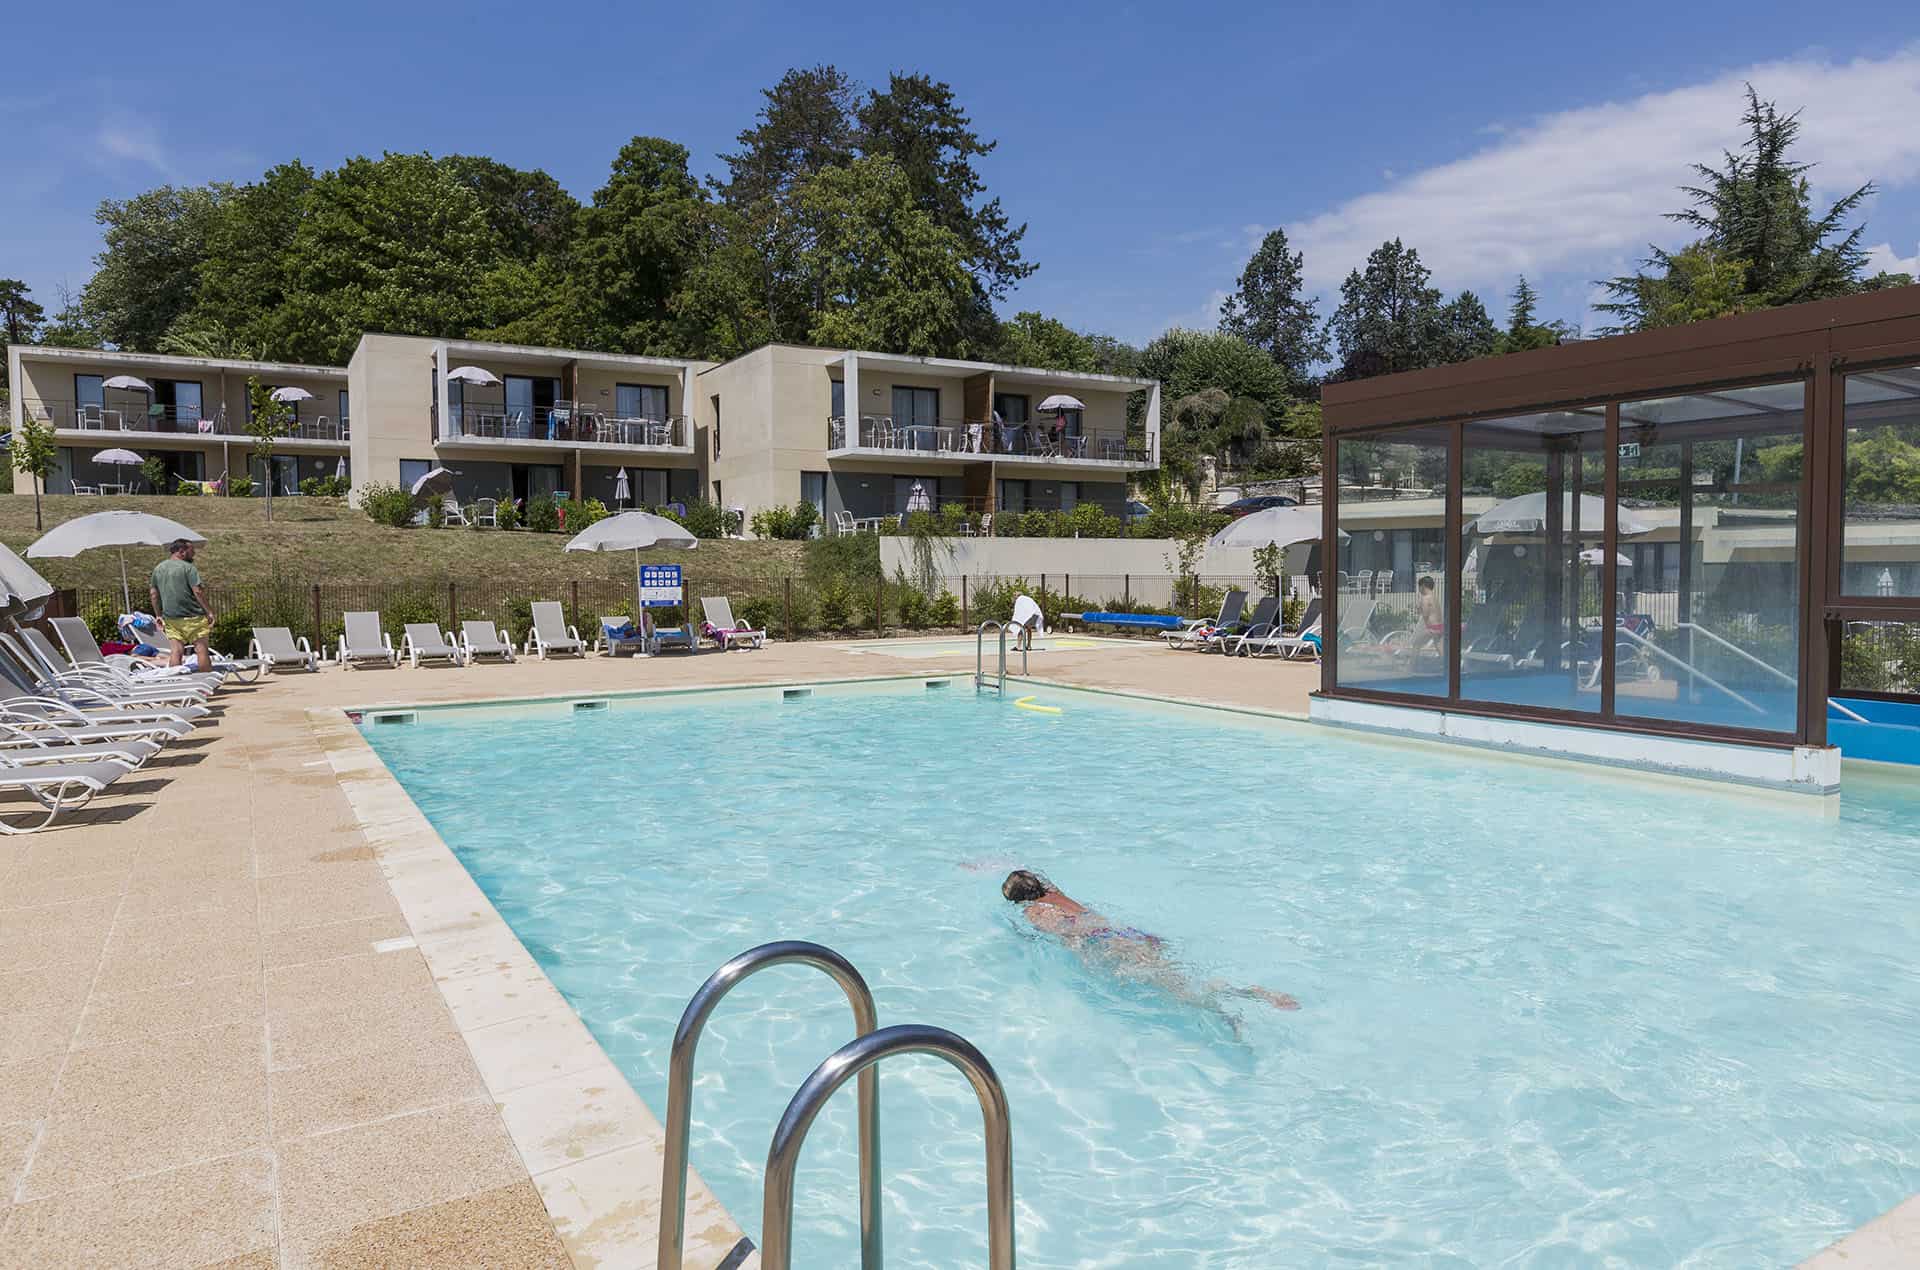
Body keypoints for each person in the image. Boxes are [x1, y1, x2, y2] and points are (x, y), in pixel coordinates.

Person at [1002, 870, 1298, 1012]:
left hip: (1104, 944)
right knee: (1178, 979)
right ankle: (1239, 998)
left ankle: (1237, 1002)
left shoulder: (1034, 911)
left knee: (1180, 992)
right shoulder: (1057, 894)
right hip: (1125, 933)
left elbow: (1068, 929)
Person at [149, 538, 214, 671]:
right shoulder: (188, 568)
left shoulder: (158, 569)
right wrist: (209, 611)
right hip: (193, 616)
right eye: (192, 551)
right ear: (181, 551)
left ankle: (175, 682)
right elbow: (197, 591)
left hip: (171, 618)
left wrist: (158, 615)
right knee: (201, 650)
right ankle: (205, 685)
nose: (194, 554)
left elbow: (153, 594)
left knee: (176, 651)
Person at [1415, 574, 1444, 652]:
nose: (1419, 590)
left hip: (1432, 628)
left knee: (1416, 644)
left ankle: (1412, 664)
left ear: (1423, 586)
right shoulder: (1434, 597)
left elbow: (1425, 614)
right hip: (1440, 626)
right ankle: (1444, 660)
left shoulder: (1425, 598)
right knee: (1438, 645)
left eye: (1419, 587)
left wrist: (1419, 608)